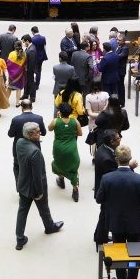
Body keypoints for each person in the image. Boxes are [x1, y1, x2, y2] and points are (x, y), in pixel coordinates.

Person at [96, 144, 140, 279]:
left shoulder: (107, 178)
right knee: (135, 256)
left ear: (116, 159)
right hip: (134, 224)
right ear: (130, 158)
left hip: (116, 223)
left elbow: (99, 199)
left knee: (119, 254)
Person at [15, 122, 64, 250]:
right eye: (37, 132)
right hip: (35, 187)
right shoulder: (35, 152)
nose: (40, 132)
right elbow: (37, 176)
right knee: (44, 208)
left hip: (23, 184)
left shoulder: (19, 142)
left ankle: (19, 239)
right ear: (30, 135)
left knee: (22, 211)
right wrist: (40, 192)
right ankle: (49, 227)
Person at [49, 102, 83, 202]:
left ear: (60, 111)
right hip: (71, 148)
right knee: (73, 168)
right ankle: (75, 190)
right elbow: (80, 133)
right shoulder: (75, 121)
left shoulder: (55, 121)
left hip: (59, 148)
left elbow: (49, 129)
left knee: (58, 164)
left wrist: (57, 118)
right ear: (70, 112)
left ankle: (61, 180)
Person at [8, 99, 46, 186]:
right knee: (34, 169)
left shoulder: (16, 119)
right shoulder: (39, 118)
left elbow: (10, 134)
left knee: (18, 168)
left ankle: (20, 186)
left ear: (21, 107)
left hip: (19, 150)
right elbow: (44, 132)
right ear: (32, 107)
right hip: (35, 149)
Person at [6, 40, 27, 106]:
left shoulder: (11, 53)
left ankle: (6, 101)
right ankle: (17, 103)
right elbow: (25, 64)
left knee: (9, 87)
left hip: (11, 75)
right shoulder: (24, 54)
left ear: (14, 46)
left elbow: (8, 64)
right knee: (18, 88)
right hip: (19, 74)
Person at [20, 34, 38, 103]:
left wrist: (28, 70)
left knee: (31, 83)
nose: (23, 43)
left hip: (30, 70)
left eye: (24, 42)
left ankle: (32, 97)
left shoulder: (31, 50)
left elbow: (32, 63)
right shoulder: (29, 48)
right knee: (26, 83)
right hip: (27, 70)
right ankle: (25, 95)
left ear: (27, 41)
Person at [115, 33, 129, 106]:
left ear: (123, 41)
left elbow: (119, 57)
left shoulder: (125, 48)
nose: (118, 41)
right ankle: (119, 101)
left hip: (121, 71)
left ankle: (122, 103)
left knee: (120, 87)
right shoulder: (119, 47)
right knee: (118, 87)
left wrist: (112, 56)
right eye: (117, 40)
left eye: (120, 40)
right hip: (117, 70)